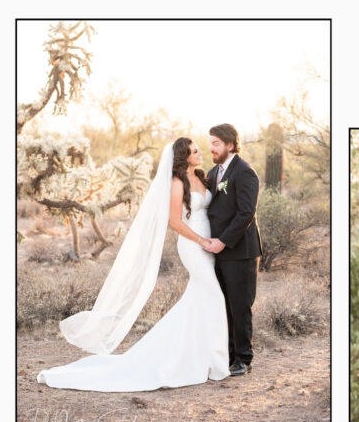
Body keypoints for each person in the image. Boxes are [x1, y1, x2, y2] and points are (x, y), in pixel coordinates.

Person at [36, 138, 230, 391]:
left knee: (198, 299)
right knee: (214, 296)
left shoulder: (203, 178)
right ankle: (216, 361)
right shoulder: (176, 184)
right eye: (194, 151)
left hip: (209, 244)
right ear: (184, 157)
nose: (200, 152)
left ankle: (198, 355)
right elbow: (175, 222)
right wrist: (200, 240)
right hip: (193, 245)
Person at [205, 124, 263, 376]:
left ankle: (243, 358)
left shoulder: (245, 172)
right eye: (210, 143)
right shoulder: (212, 172)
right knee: (223, 305)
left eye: (216, 143)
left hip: (240, 250)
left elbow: (246, 214)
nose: (211, 148)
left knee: (239, 305)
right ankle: (228, 355)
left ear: (230, 145)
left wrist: (223, 241)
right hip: (217, 250)